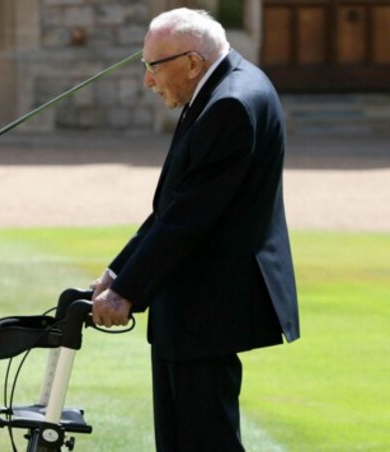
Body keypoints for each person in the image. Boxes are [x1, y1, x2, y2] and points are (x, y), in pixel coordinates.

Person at [90, 8, 300, 451]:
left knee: (203, 441)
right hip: (191, 305)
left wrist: (127, 291)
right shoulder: (223, 85)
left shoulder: (229, 104)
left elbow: (189, 219)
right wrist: (117, 272)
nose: (148, 81)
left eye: (153, 67)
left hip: (205, 306)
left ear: (191, 62)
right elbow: (176, 205)